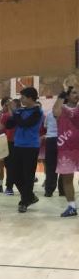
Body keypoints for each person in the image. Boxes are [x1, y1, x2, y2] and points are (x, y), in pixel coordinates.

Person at [6, 87, 43, 212]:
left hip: (31, 147)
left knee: (28, 175)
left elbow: (24, 124)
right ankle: (30, 196)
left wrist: (14, 111)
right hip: (18, 145)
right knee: (14, 174)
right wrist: (12, 113)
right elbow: (9, 124)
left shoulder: (38, 112)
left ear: (30, 98)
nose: (21, 99)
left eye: (23, 97)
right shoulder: (20, 111)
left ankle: (24, 201)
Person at [54, 86, 79, 217]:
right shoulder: (62, 109)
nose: (77, 95)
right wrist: (61, 96)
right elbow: (55, 112)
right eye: (74, 92)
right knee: (67, 180)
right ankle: (72, 207)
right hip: (66, 150)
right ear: (67, 96)